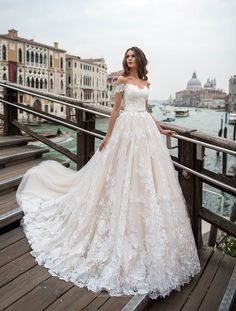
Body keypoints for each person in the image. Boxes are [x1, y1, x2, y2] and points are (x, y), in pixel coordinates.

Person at [16, 46, 201, 300]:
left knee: (147, 182)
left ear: (140, 59)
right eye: (127, 56)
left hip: (145, 132)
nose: (129, 59)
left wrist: (161, 130)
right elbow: (115, 110)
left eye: (132, 56)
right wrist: (107, 136)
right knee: (120, 179)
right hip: (126, 132)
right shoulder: (122, 80)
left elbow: (146, 110)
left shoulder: (146, 82)